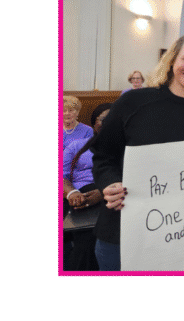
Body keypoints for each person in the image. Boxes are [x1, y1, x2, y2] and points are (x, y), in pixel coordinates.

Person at [91, 31, 184, 271]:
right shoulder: (133, 102)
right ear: (172, 60)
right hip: (124, 230)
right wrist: (109, 183)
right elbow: (104, 156)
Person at [63, 102, 113, 271]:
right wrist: (72, 193)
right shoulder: (77, 146)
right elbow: (61, 175)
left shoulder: (125, 148)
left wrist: (103, 192)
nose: (108, 123)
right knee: (85, 242)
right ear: (94, 123)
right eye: (103, 119)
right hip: (81, 194)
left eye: (113, 119)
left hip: (112, 195)